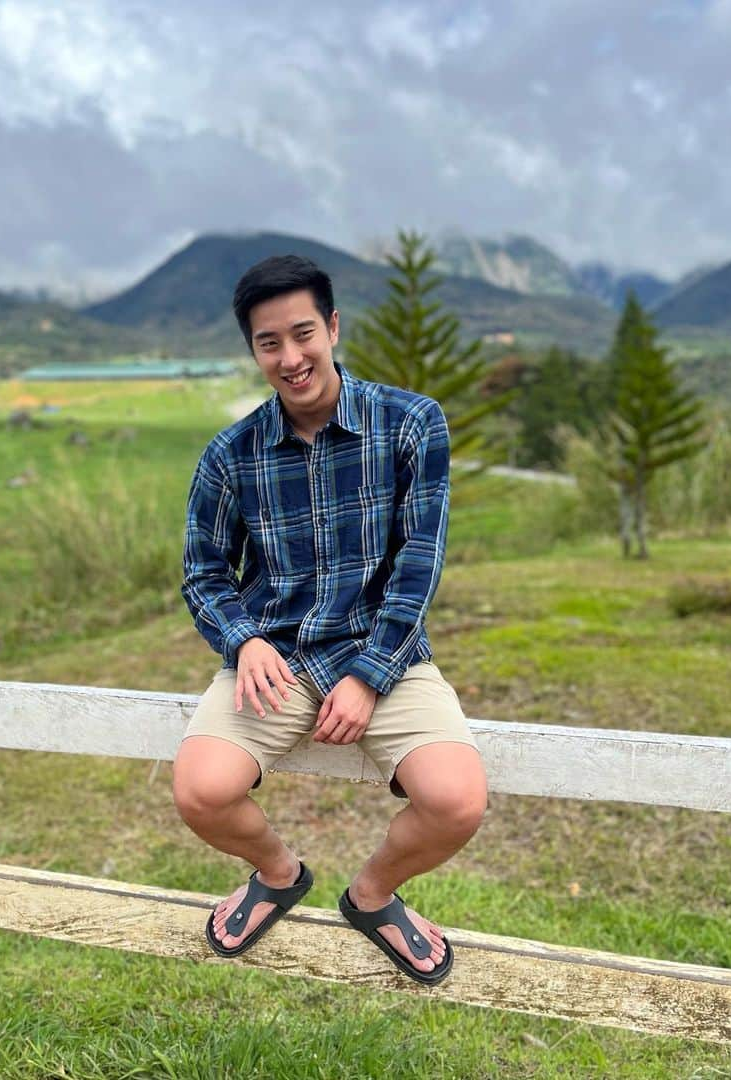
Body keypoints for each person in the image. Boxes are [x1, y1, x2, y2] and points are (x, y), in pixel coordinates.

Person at [174, 254, 487, 984]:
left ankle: (373, 895)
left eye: (303, 333)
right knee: (201, 790)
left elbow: (419, 565)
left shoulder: (411, 424)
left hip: (386, 650)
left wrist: (370, 677)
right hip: (274, 660)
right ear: (252, 350)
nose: (291, 357)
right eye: (268, 343)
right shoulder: (229, 455)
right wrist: (242, 638)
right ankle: (279, 875)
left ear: (334, 327)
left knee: (456, 800)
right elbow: (204, 573)